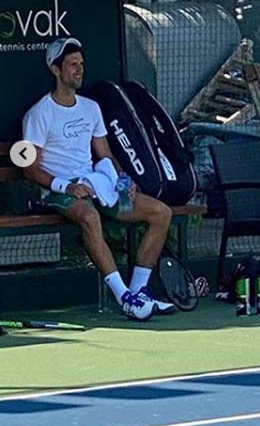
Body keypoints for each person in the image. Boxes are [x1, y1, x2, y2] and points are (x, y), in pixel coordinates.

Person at [22, 37, 175, 321]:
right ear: (56, 70)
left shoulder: (91, 108)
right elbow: (30, 168)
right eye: (72, 65)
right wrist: (65, 186)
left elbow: (104, 154)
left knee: (160, 213)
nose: (79, 70)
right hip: (59, 191)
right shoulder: (38, 114)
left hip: (97, 184)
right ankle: (123, 296)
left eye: (81, 64)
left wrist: (122, 181)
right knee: (90, 218)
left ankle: (138, 293)